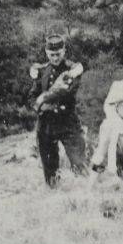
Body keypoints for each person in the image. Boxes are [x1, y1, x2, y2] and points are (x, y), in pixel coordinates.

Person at [27, 33, 87, 187]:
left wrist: (43, 99)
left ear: (64, 51)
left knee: (79, 163)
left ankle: (85, 193)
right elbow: (32, 98)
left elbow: (66, 91)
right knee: (50, 172)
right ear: (46, 53)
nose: (55, 58)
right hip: (46, 125)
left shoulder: (72, 70)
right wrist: (40, 106)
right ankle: (54, 194)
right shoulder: (42, 71)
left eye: (58, 54)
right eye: (52, 55)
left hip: (68, 122)